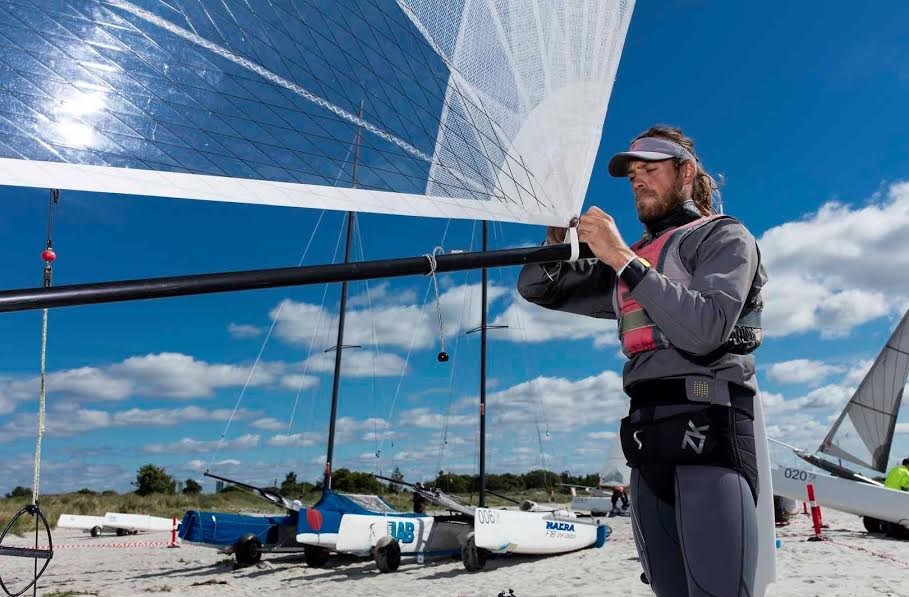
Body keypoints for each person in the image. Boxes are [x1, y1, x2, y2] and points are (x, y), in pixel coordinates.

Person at [518, 125, 767, 597]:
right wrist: (557, 244)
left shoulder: (723, 236)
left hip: (709, 428)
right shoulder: (628, 260)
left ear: (685, 171)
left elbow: (706, 327)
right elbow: (538, 288)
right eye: (633, 174)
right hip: (646, 435)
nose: (637, 182)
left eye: (650, 169)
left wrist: (620, 257)